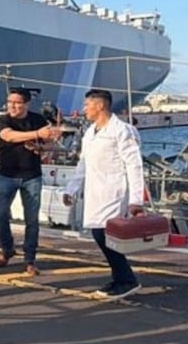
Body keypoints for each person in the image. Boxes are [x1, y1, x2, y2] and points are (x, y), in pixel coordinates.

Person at [62, 89, 145, 300]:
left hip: (114, 191)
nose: (84, 109)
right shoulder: (91, 132)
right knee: (102, 235)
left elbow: (134, 165)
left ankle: (126, 279)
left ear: (99, 105)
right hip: (95, 191)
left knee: (106, 235)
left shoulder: (123, 131)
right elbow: (83, 164)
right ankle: (120, 277)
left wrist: (136, 200)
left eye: (86, 105)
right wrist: (72, 189)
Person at [0, 88, 62, 275]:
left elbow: (51, 143)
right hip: (6, 174)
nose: (12, 106)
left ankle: (29, 258)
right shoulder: (3, 120)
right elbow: (8, 135)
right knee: (0, 215)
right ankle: (7, 249)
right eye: (10, 102)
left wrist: (40, 145)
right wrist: (37, 134)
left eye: (17, 103)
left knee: (32, 220)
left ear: (26, 104)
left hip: (32, 175)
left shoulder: (37, 120)